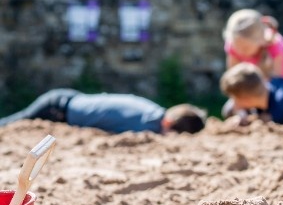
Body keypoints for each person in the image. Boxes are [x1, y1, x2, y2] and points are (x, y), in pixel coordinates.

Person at [0, 89, 206, 134]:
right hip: (57, 108)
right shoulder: (147, 124)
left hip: (65, 100)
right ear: (168, 124)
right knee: (11, 124)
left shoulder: (153, 110)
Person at [223, 8, 283, 82]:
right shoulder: (233, 45)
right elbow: (233, 78)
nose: (240, 51)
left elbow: (277, 82)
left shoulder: (274, 43)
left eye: (246, 48)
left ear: (260, 41)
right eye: (237, 46)